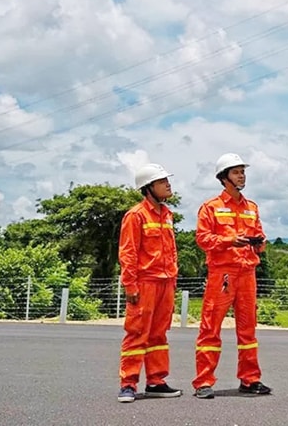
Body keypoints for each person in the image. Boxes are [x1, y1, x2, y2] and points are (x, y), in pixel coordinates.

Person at [192, 152, 272, 399]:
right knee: (210, 328)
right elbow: (203, 239)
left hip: (247, 273)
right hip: (223, 274)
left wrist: (260, 243)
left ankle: (250, 379)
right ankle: (203, 382)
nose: (242, 176)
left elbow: (259, 237)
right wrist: (229, 240)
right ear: (224, 177)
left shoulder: (252, 207)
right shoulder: (210, 207)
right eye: (236, 172)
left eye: (243, 172)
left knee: (248, 330)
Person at [117, 163, 182, 403]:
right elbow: (128, 253)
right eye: (162, 181)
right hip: (145, 283)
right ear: (148, 187)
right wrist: (130, 285)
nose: (168, 184)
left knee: (159, 335)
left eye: (167, 180)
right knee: (137, 333)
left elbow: (171, 251)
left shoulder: (167, 214)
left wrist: (173, 278)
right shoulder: (136, 215)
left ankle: (156, 381)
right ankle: (128, 384)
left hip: (166, 283)